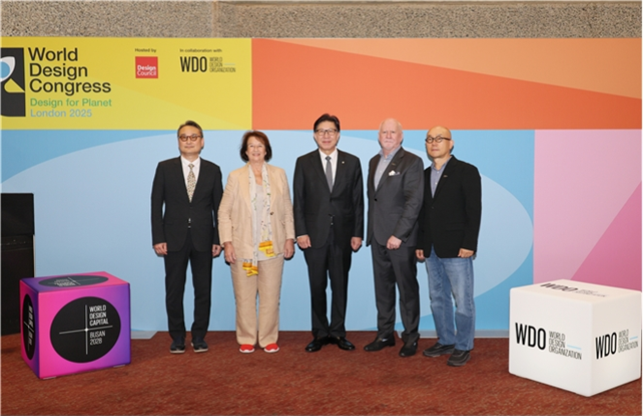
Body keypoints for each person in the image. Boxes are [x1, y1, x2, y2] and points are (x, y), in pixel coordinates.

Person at [218, 131, 295, 354]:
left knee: (271, 297)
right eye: (251, 146)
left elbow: (287, 209)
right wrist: (227, 242)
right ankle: (247, 338)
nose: (255, 149)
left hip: (273, 247)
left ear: (266, 150)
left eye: (260, 145)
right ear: (245, 151)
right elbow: (224, 212)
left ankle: (268, 338)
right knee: (244, 297)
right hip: (243, 247)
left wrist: (289, 238)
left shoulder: (279, 174)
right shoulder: (235, 177)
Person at [293, 114, 364, 352]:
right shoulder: (304, 162)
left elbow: (358, 201)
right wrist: (300, 232)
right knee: (317, 285)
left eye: (331, 131)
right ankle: (320, 333)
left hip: (343, 235)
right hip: (314, 236)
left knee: (340, 285)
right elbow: (299, 201)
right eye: (321, 131)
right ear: (315, 135)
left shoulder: (352, 162)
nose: (326, 135)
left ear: (338, 135)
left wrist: (357, 233)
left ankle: (338, 332)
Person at [151, 120, 223, 354]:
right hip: (173, 239)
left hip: (204, 239)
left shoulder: (213, 170)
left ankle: (199, 335)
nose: (189, 141)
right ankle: (178, 337)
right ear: (178, 141)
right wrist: (158, 237)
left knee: (203, 290)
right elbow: (156, 205)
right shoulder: (165, 168)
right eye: (184, 137)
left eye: (194, 137)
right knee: (174, 290)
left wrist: (218, 239)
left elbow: (219, 208)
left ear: (202, 141)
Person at [416, 126, 482, 367]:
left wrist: (469, 244)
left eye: (439, 138)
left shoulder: (466, 171)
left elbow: (474, 210)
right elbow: (423, 213)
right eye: (429, 139)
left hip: (457, 248)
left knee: (462, 300)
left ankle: (463, 345)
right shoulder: (423, 175)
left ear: (450, 143)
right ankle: (446, 340)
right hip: (431, 248)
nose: (434, 143)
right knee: (437, 298)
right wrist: (421, 243)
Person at [364, 118, 424, 357]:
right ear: (378, 136)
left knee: (407, 290)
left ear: (401, 136)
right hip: (377, 237)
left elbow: (413, 202)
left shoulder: (412, 161)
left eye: (393, 132)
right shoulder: (373, 161)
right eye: (384, 132)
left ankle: (411, 337)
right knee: (383, 289)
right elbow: (374, 200)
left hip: (401, 240)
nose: (388, 136)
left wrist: (398, 235)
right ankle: (385, 334)